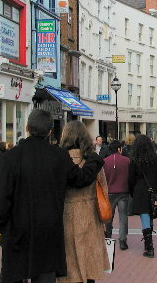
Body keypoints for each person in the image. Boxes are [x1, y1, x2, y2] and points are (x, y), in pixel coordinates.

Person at [0, 109, 104, 283]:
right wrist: (94, 160)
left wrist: (1, 226)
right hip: (48, 229)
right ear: (50, 131)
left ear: (27, 127)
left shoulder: (11, 157)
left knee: (13, 274)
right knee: (45, 276)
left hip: (17, 228)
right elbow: (81, 179)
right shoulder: (58, 156)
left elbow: (1, 199)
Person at [58, 121, 110, 283]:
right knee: (89, 264)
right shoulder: (93, 161)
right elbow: (103, 189)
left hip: (65, 214)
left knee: (69, 263)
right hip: (90, 213)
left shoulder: (59, 160)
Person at [128, 134, 157, 258]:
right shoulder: (154, 158)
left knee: (144, 217)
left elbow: (130, 178)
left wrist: (131, 192)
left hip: (140, 192)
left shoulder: (134, 159)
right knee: (150, 214)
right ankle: (148, 244)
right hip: (152, 191)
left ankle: (149, 247)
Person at [103, 140, 130, 250]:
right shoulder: (127, 160)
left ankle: (108, 234)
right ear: (119, 149)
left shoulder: (105, 161)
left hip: (109, 192)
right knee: (123, 216)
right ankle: (122, 240)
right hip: (123, 191)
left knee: (109, 216)